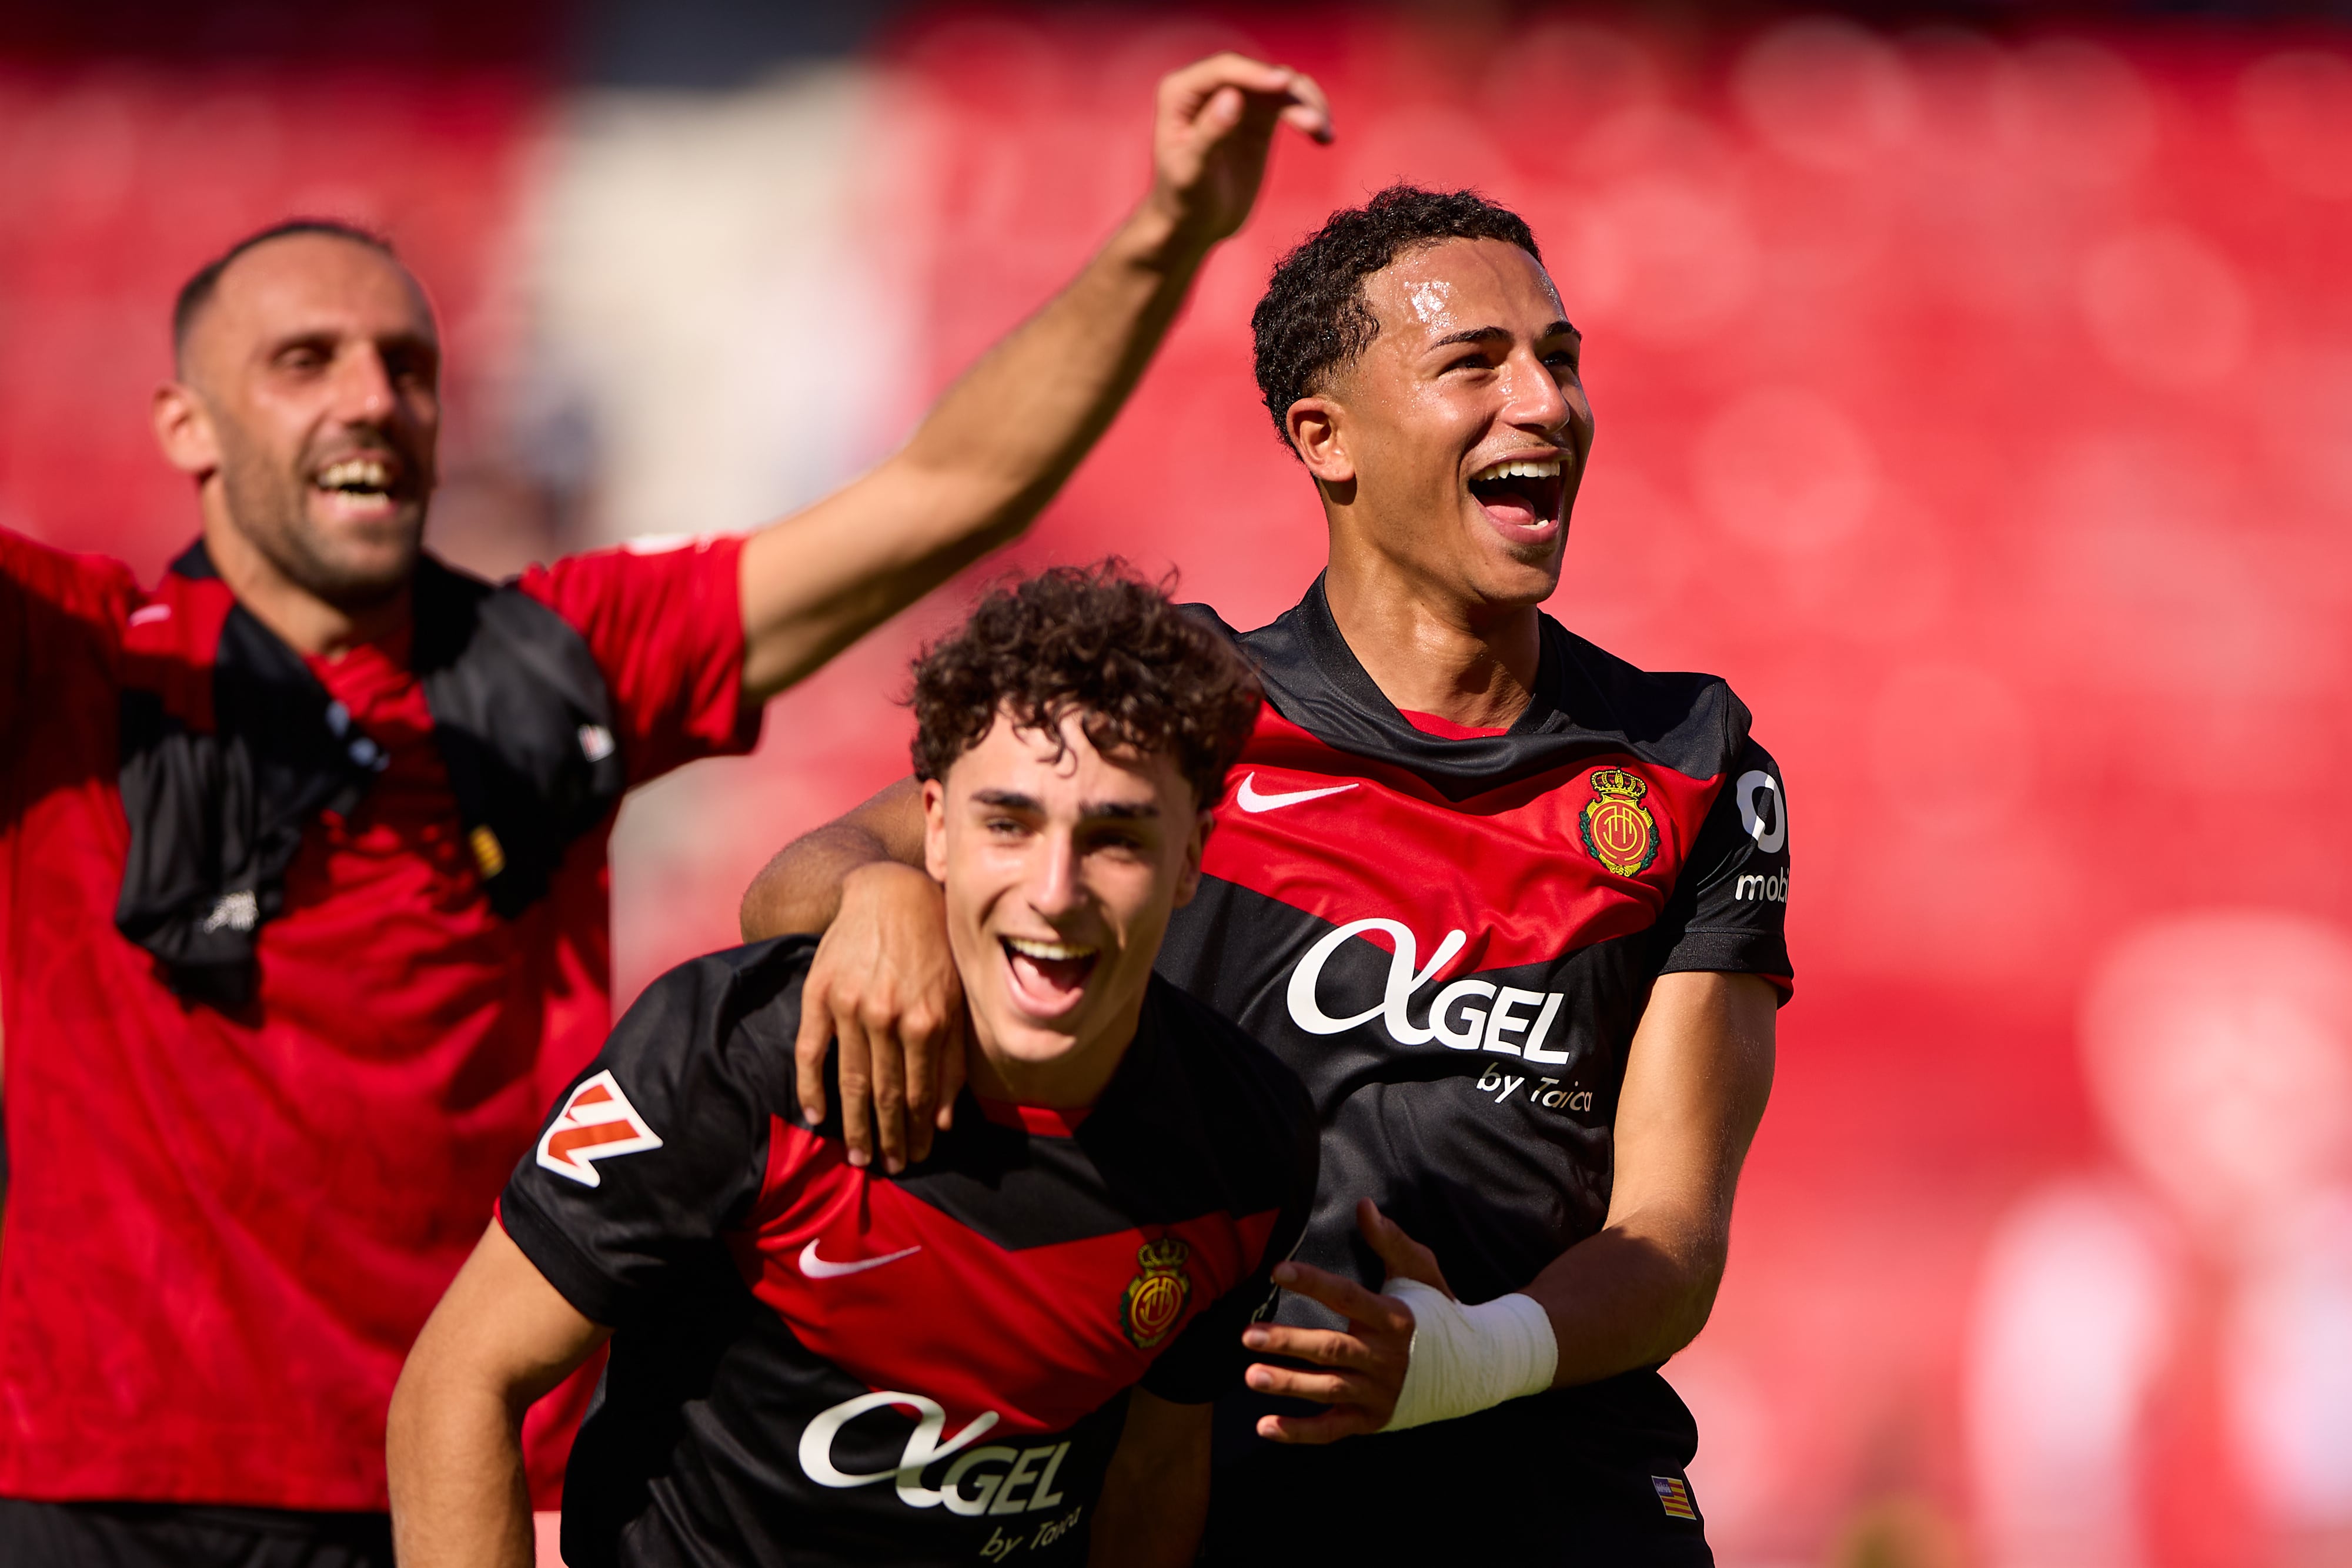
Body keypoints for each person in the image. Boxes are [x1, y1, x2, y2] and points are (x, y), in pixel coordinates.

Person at [0, 54, 1330, 1567]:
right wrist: (864, 880)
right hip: (105, 1481)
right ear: (182, 424)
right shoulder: (69, 657)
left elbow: (946, 491)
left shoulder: (564, 657)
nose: (371, 395)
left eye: (409, 362)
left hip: (460, 1486)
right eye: (303, 360)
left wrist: (1166, 231)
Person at [740, 185, 1792, 1563]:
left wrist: (1459, 1355)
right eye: (1473, 363)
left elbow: (1668, 1238)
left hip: (1548, 1475)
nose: (1543, 402)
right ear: (1324, 436)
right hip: (1186, 1476)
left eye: (1560, 358)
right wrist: (882, 896)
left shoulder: (1688, 764)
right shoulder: (1182, 712)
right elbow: (794, 882)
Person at [386, 566, 1316, 1568]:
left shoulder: (1248, 1145)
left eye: (1116, 838)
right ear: (938, 827)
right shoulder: (741, 1055)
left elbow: (1151, 1481)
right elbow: (459, 1386)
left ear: (1191, 859)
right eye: (1009, 824)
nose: (1055, 891)